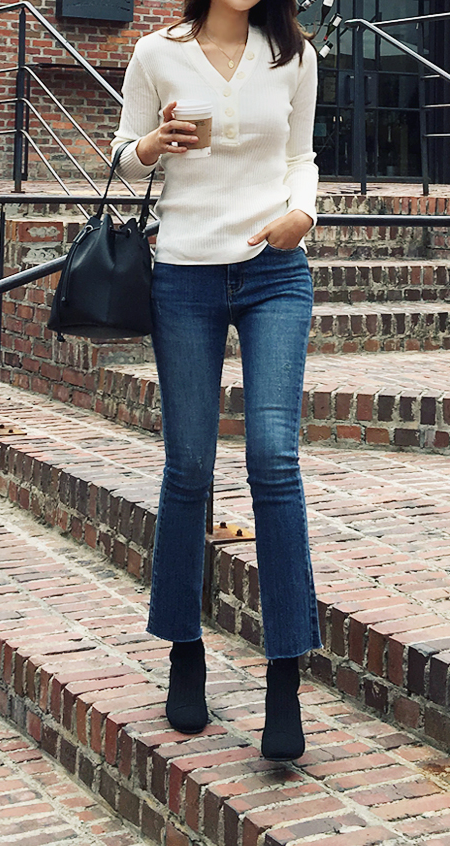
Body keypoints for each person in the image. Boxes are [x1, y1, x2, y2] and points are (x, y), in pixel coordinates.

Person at [112, 0, 322, 761]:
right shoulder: (156, 53)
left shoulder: (294, 54)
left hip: (276, 272)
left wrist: (303, 212)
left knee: (274, 457)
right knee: (189, 466)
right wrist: (151, 146)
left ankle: (284, 674)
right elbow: (121, 156)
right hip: (184, 277)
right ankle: (184, 649)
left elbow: (300, 157)